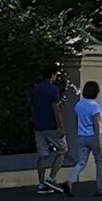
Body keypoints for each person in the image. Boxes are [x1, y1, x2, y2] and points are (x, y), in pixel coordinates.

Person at [29, 63, 70, 194]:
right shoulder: (53, 89)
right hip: (51, 126)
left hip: (38, 125)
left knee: (42, 155)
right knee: (63, 150)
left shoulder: (36, 89)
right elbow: (55, 109)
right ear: (52, 75)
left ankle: (41, 184)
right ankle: (51, 178)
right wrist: (61, 126)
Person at [66, 78, 102, 197]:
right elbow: (97, 124)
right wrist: (99, 140)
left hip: (82, 136)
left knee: (81, 162)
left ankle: (70, 180)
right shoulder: (94, 106)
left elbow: (76, 120)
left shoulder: (79, 105)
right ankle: (100, 189)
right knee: (100, 162)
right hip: (93, 136)